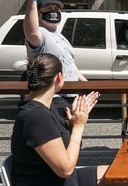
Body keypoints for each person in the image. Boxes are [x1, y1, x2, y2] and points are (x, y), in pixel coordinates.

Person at [11, 53, 107, 186]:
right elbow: (65, 169)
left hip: (67, 180)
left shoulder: (46, 107)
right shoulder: (36, 116)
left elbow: (64, 151)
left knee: (123, 175)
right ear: (59, 77)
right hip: (58, 181)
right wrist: (79, 126)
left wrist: (73, 124)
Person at [24, 0, 87, 121]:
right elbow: (31, 32)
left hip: (72, 96)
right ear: (38, 14)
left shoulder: (60, 36)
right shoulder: (41, 34)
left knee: (73, 136)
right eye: (48, 9)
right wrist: (32, 0)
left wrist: (86, 85)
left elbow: (70, 63)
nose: (54, 11)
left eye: (57, 9)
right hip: (54, 97)